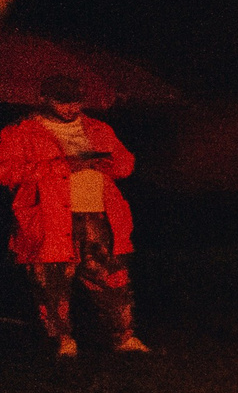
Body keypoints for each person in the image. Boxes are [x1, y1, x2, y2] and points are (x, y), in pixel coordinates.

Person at [0, 74, 146, 356]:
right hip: (48, 218)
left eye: (75, 100)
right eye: (62, 101)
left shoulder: (98, 128)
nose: (70, 107)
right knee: (51, 282)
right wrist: (62, 166)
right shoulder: (20, 132)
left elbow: (126, 164)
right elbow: (6, 171)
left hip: (98, 215)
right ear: (44, 99)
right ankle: (62, 341)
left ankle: (123, 337)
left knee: (112, 276)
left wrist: (106, 162)